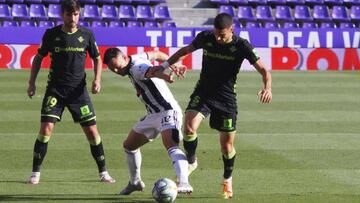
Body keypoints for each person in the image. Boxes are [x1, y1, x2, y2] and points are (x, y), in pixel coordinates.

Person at [154, 13, 272, 199]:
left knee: (226, 147)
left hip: (226, 100)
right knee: (189, 127)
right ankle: (191, 161)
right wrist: (164, 66)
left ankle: (227, 179)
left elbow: (264, 70)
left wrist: (267, 88)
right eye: (216, 33)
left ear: (231, 30)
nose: (218, 38)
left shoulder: (241, 46)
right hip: (204, 93)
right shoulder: (206, 38)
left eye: (222, 35)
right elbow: (184, 51)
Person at [26, 0, 115, 184]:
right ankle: (35, 173)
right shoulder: (52, 34)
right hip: (55, 91)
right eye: (69, 14)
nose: (73, 18)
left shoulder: (87, 35)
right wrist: (32, 83)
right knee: (45, 129)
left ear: (79, 14)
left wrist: (97, 79)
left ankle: (104, 173)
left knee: (92, 132)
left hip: (78, 93)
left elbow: (97, 58)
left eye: (75, 14)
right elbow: (38, 58)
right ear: (62, 15)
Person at [103, 47, 193, 195]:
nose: (117, 71)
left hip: (168, 111)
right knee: (129, 146)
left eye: (118, 67)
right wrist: (173, 65)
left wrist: (165, 77)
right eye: (113, 69)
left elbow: (151, 71)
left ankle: (184, 182)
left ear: (124, 58)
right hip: (153, 115)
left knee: (171, 145)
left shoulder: (137, 68)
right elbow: (156, 54)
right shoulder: (137, 57)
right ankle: (135, 182)